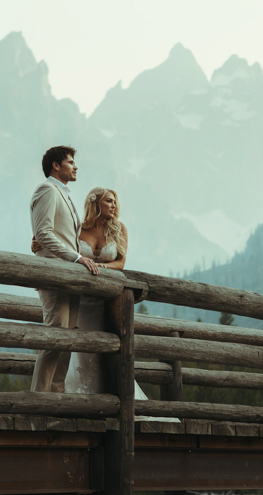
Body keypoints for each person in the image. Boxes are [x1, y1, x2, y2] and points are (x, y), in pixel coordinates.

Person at [32, 187, 178, 422]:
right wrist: (36, 242)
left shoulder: (120, 229)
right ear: (95, 203)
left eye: (115, 202)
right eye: (109, 201)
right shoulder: (78, 228)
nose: (114, 205)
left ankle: (115, 400)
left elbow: (120, 263)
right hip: (82, 299)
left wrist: (98, 267)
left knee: (110, 348)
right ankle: (76, 401)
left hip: (107, 302)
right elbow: (58, 243)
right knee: (79, 347)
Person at [29, 146, 100, 393]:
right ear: (56, 166)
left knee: (67, 340)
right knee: (54, 339)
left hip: (70, 277)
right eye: (70, 162)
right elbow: (44, 232)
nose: (75, 166)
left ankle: (57, 397)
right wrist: (77, 258)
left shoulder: (65, 194)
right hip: (54, 275)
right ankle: (39, 399)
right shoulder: (47, 189)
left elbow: (58, 235)